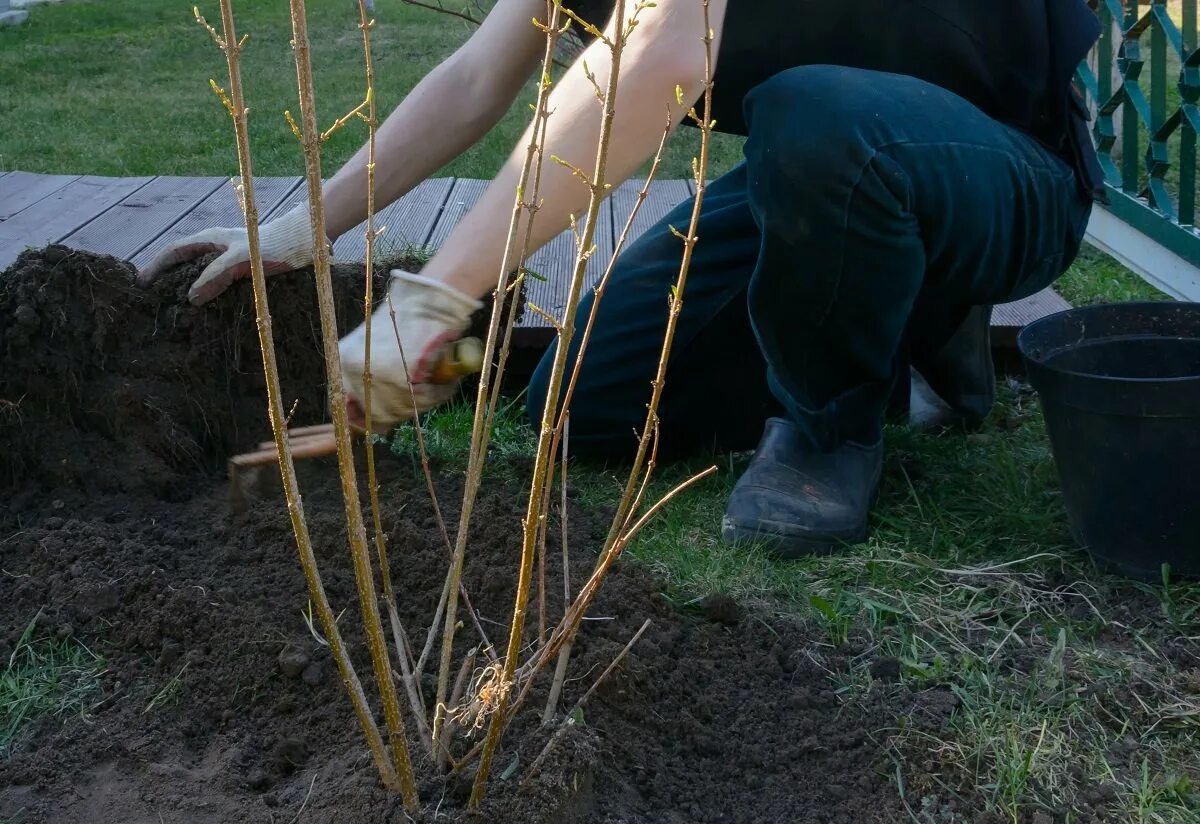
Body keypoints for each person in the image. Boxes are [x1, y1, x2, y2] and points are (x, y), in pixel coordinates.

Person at [141, 0, 1104, 557]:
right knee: (585, 406)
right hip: (826, 173)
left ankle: (831, 432)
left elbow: (658, 57)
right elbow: (477, 80)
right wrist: (304, 229)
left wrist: (431, 309)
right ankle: (908, 333)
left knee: (811, 115)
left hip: (1004, 166)